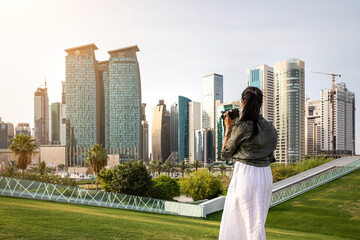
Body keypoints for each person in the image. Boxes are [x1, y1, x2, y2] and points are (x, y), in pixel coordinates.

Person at [218, 86, 278, 240]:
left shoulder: (242, 126)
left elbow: (225, 154)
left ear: (243, 102)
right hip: (265, 175)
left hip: (246, 174)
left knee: (244, 223)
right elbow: (271, 155)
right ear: (260, 103)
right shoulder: (270, 127)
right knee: (257, 222)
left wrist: (228, 129)